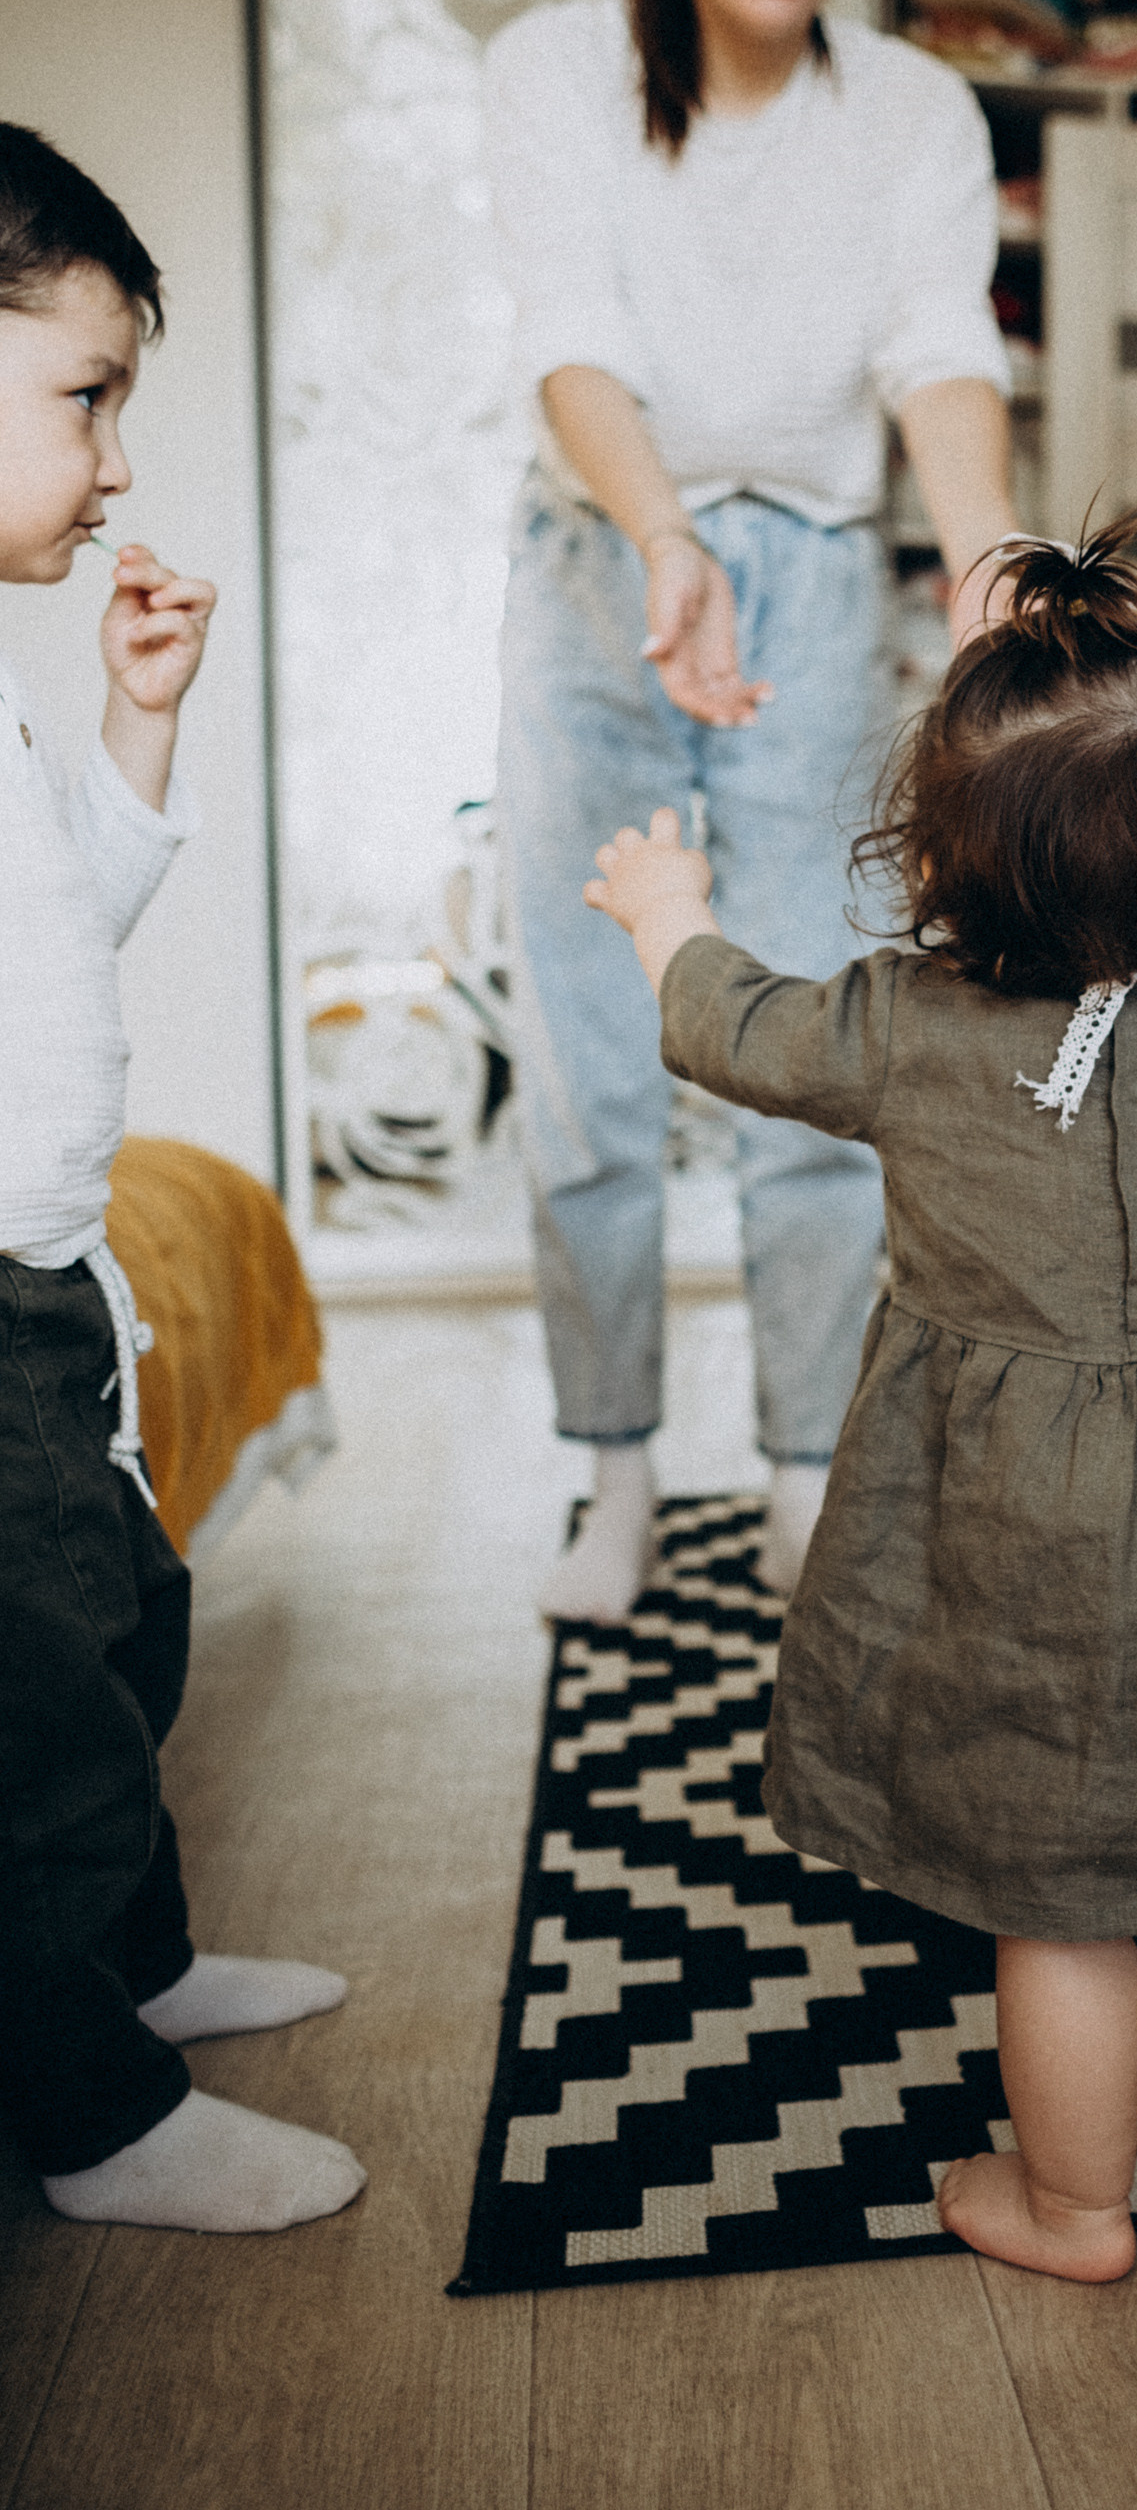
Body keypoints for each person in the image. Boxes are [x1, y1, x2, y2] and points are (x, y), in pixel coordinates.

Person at [582, 512, 1137, 2285]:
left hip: (1046, 1550)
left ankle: (1072, 2206)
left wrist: (669, 918)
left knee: (1067, 1908)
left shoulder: (909, 1019)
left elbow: (728, 1031)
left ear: (951, 863)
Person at [484, 0, 1018, 1623]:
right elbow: (572, 336)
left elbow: (941, 354)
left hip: (810, 578)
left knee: (817, 1046)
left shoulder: (920, 114)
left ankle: (805, 1480)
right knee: (597, 1052)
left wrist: (984, 576)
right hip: (595, 562)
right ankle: (610, 1479)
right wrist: (655, 533)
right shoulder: (556, 72)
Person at [0, 124, 363, 2233]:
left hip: (54, 1291)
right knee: (32, 1725)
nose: (118, 460)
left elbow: (60, 933)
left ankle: (138, 1969)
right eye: (83, 396)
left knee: (126, 1633)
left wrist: (138, 731)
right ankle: (92, 2112)